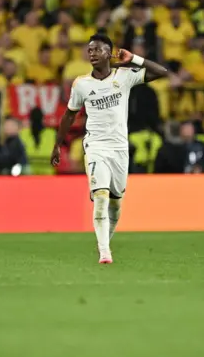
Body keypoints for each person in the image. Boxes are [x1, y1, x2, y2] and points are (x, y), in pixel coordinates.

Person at [51, 34, 169, 264]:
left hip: (119, 149)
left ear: (109, 52)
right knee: (101, 197)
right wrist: (58, 144)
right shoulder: (82, 84)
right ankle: (105, 252)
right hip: (95, 146)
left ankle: (104, 240)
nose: (92, 54)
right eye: (90, 50)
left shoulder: (124, 76)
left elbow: (161, 72)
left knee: (116, 202)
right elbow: (69, 115)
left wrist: (134, 58)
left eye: (97, 50)